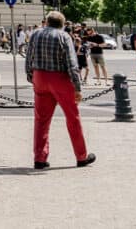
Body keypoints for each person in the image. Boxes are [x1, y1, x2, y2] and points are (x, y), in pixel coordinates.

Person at [26, 11, 95, 169]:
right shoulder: (64, 37)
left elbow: (28, 57)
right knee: (72, 117)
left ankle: (40, 158)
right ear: (62, 24)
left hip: (40, 77)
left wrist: (32, 77)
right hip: (60, 79)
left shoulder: (35, 34)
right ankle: (81, 156)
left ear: (47, 22)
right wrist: (77, 87)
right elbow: (72, 63)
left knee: (41, 120)